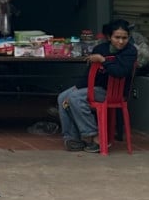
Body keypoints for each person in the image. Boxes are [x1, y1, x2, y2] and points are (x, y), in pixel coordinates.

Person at [58, 19, 136, 152]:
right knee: (63, 97)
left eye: (124, 38)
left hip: (114, 92)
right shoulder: (100, 49)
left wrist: (103, 60)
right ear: (109, 37)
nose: (121, 41)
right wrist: (78, 87)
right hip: (96, 88)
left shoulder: (130, 52)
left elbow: (119, 72)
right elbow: (90, 73)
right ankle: (72, 138)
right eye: (117, 37)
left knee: (75, 98)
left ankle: (95, 137)